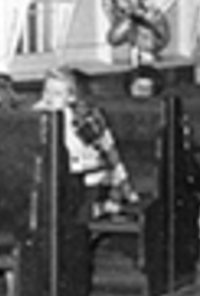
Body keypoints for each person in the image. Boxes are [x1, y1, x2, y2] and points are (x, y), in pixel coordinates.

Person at [33, 66, 140, 219]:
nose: (49, 98)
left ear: (71, 98)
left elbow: (106, 152)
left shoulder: (82, 119)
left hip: (89, 179)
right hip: (56, 179)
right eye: (46, 91)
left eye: (57, 93)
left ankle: (97, 211)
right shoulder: (37, 117)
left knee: (68, 203)